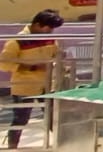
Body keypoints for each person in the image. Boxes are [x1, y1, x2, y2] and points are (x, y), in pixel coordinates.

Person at [0, 9, 64, 149]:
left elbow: (56, 54)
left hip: (47, 85)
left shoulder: (50, 39)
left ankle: (63, 145)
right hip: (24, 86)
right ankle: (12, 147)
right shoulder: (17, 41)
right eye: (48, 27)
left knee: (54, 117)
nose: (50, 31)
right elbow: (4, 63)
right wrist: (30, 67)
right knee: (21, 119)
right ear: (37, 24)